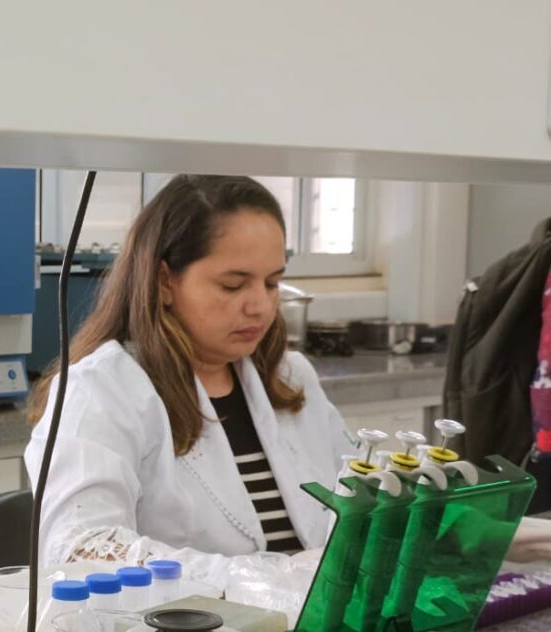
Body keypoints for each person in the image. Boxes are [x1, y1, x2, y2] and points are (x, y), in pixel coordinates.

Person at [25, 175, 354, 582]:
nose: (260, 306)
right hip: (182, 623)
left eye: (272, 283)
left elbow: (356, 510)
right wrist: (260, 578)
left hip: (313, 617)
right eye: (233, 285)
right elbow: (79, 548)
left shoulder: (290, 377)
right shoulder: (99, 390)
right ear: (164, 281)